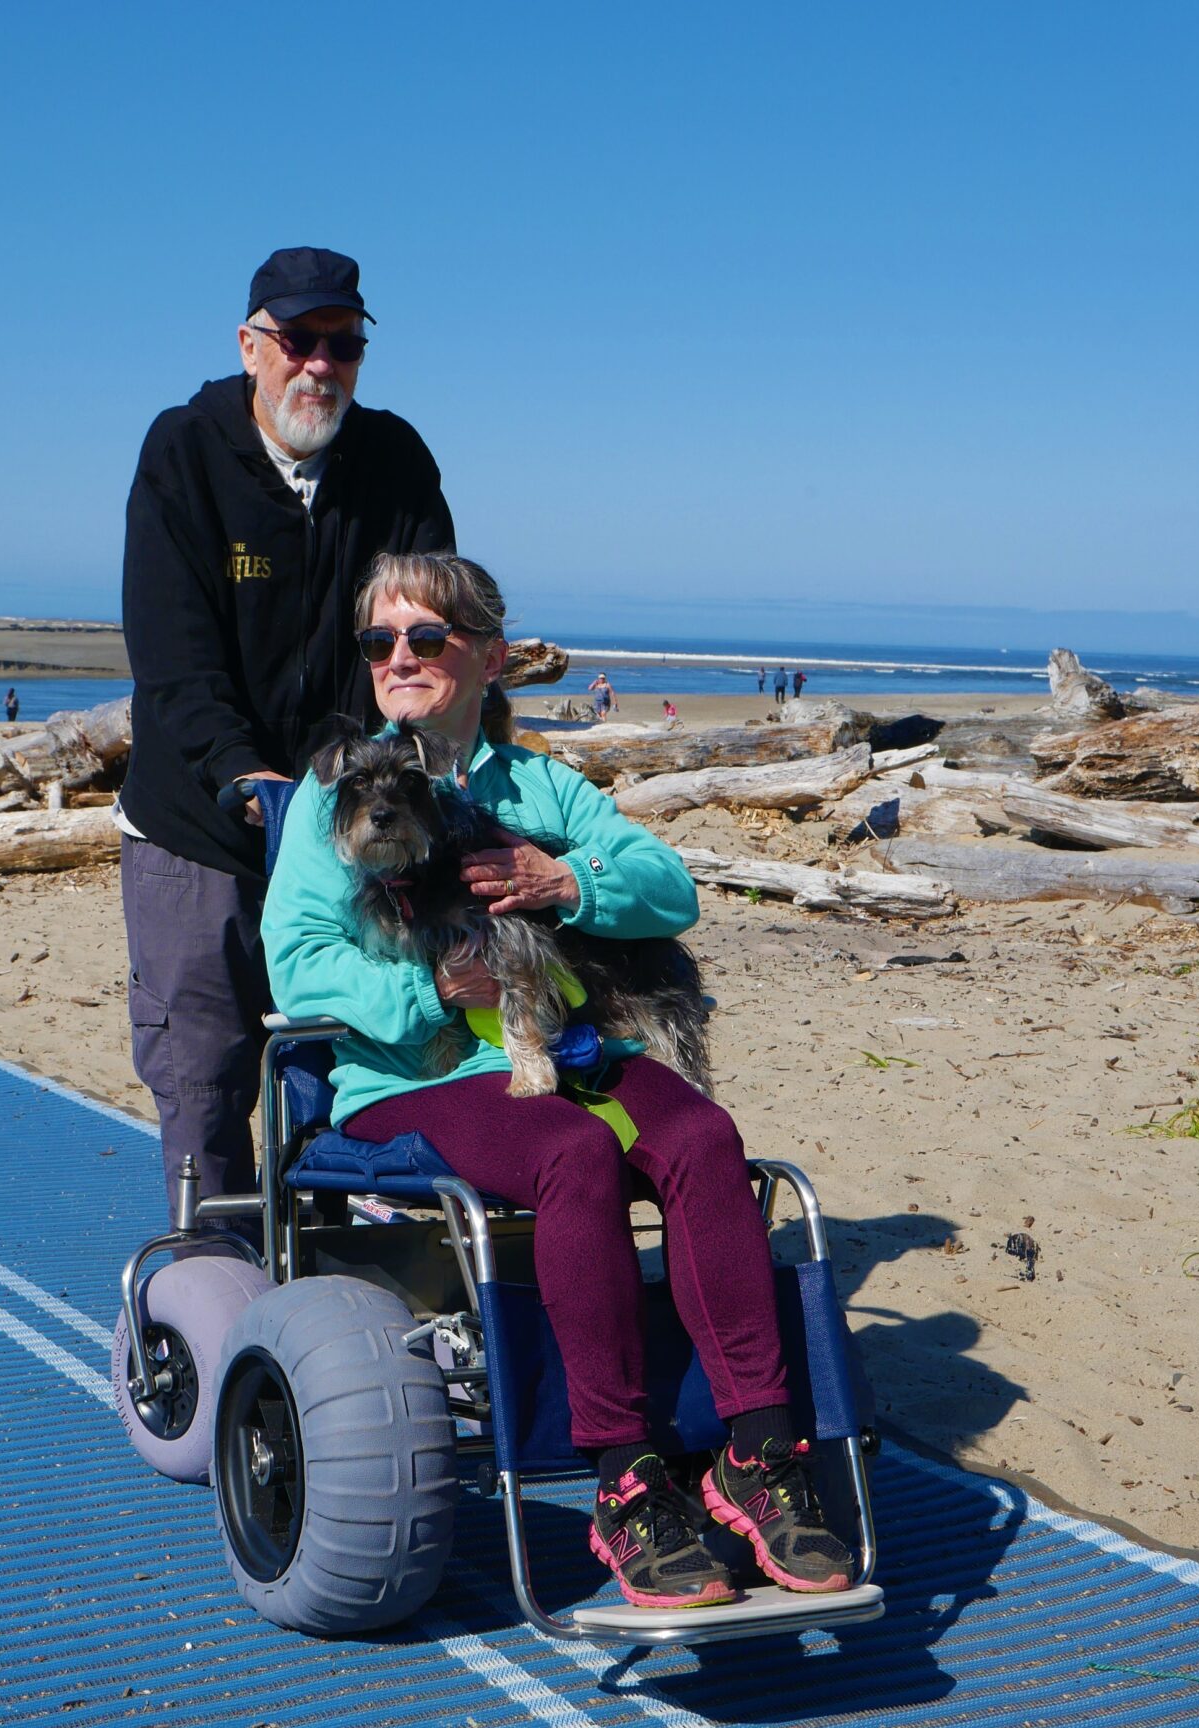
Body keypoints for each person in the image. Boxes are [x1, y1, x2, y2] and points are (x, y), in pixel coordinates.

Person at [263, 552, 852, 1611]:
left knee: (703, 1139)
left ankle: (757, 1454)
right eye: (378, 641)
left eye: (426, 638)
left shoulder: (537, 785)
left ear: (489, 656)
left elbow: (671, 889)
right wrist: (437, 990)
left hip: (563, 1045)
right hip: (417, 1072)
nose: (398, 659)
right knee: (573, 1153)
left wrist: (566, 877)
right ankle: (625, 1478)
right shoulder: (337, 790)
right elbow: (298, 957)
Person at [115, 247, 454, 1211]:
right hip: (201, 826)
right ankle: (209, 1296)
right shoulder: (183, 452)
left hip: (348, 822)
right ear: (252, 345)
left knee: (344, 1071)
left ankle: (326, 1298)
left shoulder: (394, 462)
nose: (319, 365)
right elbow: (173, 652)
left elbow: (417, 634)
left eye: (342, 345)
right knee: (207, 1081)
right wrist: (241, 770)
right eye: (298, 340)